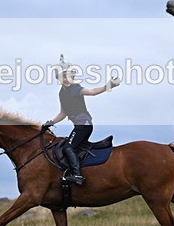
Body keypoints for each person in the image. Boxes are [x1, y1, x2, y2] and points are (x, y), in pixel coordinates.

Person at [44, 56, 119, 185]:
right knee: (74, 147)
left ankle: (77, 175)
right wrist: (51, 122)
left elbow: (92, 91)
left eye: (69, 76)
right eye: (63, 77)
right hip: (79, 125)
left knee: (68, 148)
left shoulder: (76, 88)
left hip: (83, 125)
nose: (66, 79)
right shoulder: (62, 93)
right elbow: (63, 113)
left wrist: (108, 86)